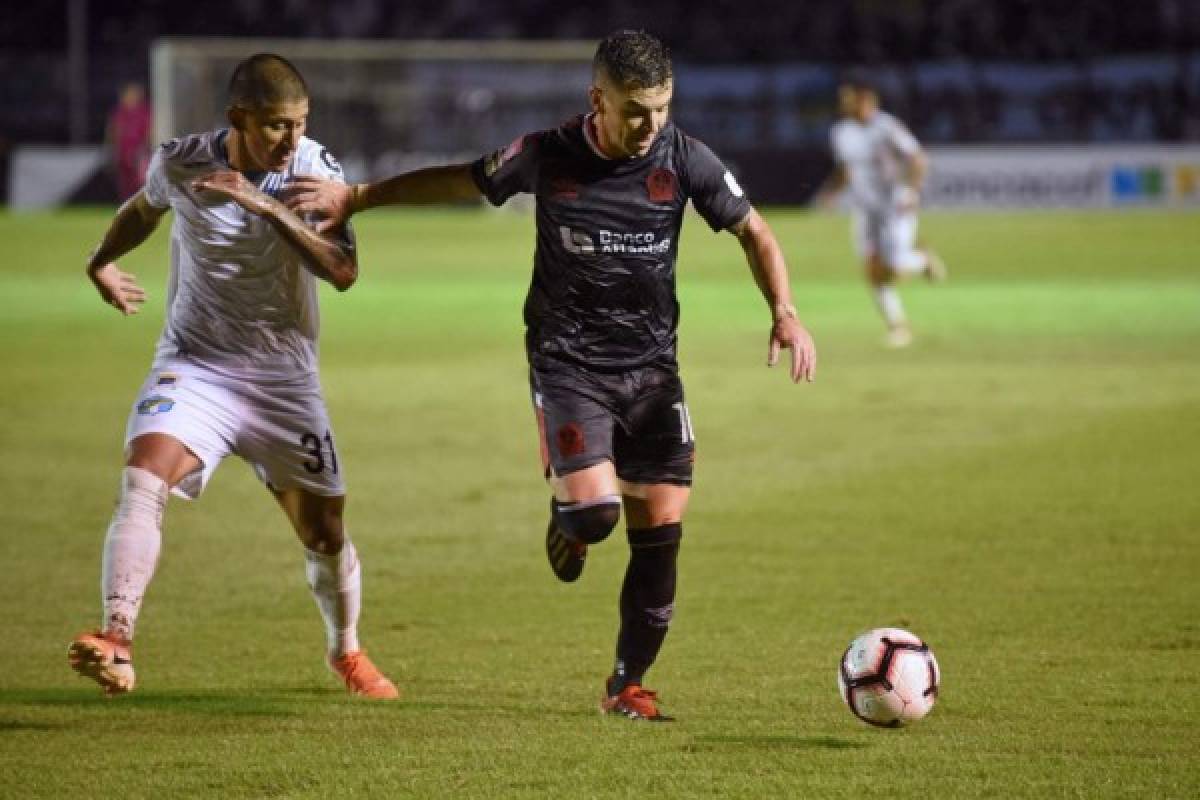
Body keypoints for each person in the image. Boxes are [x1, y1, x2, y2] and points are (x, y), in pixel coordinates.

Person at [285, 30, 816, 720]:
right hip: (568, 363)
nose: (650, 125)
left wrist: (785, 310)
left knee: (659, 531)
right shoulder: (547, 154)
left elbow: (756, 230)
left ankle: (626, 686)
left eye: (661, 108)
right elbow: (463, 179)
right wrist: (356, 197)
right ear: (598, 99)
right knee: (594, 518)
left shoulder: (685, 159)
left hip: (653, 370)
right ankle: (569, 517)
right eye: (635, 110)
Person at [69, 53, 398, 700]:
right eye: (277, 125)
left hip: (285, 383)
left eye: (300, 124)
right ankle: (117, 638)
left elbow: (343, 271)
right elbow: (143, 208)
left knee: (325, 533)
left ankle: (346, 652)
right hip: (196, 367)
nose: (291, 139)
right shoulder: (182, 161)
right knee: (142, 475)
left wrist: (267, 208)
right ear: (238, 119)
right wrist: (99, 262)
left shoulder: (314, 170)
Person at [816, 74, 947, 348]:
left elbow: (918, 159)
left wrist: (912, 191)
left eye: (848, 97)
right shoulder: (841, 131)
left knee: (894, 268)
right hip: (865, 209)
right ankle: (898, 326)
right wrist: (830, 194)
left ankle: (922, 260)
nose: (843, 102)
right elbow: (846, 170)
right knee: (872, 269)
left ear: (866, 99)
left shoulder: (886, 127)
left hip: (894, 205)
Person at [107, 82, 153, 201]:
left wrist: (144, 149)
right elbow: (113, 131)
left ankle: (142, 203)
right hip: (123, 152)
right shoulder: (119, 112)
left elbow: (149, 131)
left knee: (140, 180)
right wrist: (113, 150)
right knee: (124, 183)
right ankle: (126, 204)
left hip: (139, 152)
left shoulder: (145, 111)